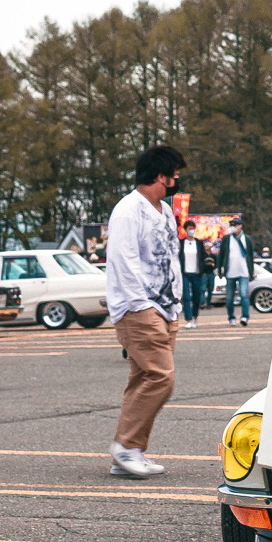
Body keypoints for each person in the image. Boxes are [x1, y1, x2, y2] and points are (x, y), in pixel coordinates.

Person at [104, 144, 186, 477]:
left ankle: (130, 452)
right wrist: (140, 305)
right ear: (159, 175)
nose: (177, 180)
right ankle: (125, 447)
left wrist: (175, 304)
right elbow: (123, 260)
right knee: (161, 378)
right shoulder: (128, 210)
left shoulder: (164, 211)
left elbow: (170, 259)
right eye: (174, 175)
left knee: (142, 379)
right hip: (139, 309)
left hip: (166, 308)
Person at [217, 215, 254, 325]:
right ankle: (231, 317)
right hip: (230, 272)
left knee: (243, 294)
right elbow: (221, 255)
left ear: (241, 226)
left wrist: (251, 272)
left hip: (243, 271)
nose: (233, 227)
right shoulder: (227, 239)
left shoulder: (246, 239)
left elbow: (250, 256)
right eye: (231, 225)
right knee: (229, 298)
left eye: (235, 225)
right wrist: (220, 270)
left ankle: (245, 317)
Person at [178, 219, 205, 329]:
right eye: (189, 229)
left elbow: (202, 257)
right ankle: (188, 319)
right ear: (185, 230)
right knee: (186, 296)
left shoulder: (198, 243)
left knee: (197, 296)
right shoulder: (181, 242)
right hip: (185, 272)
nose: (191, 231)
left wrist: (203, 270)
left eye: (192, 229)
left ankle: (195, 316)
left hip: (196, 272)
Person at [201, 239, 217, 308]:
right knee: (203, 289)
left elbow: (216, 264)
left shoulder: (213, 256)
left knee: (210, 289)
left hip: (211, 273)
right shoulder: (202, 256)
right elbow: (201, 264)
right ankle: (202, 303)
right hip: (204, 274)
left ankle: (208, 304)